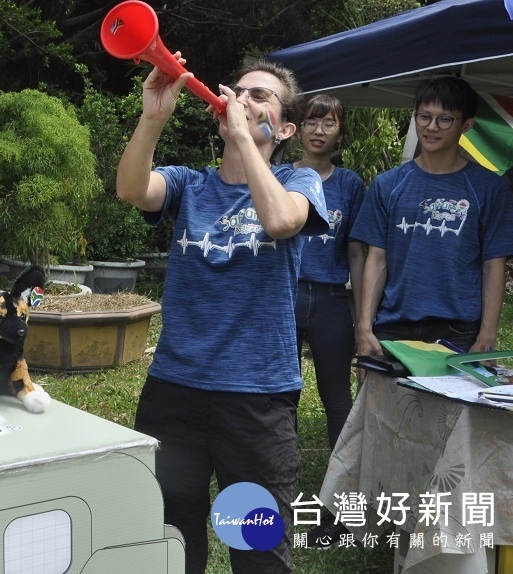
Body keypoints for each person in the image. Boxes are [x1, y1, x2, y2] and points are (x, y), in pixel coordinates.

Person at [117, 57, 329, 574]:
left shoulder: (299, 180)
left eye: (260, 97)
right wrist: (153, 118)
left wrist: (245, 139)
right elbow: (131, 189)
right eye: (238, 91)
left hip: (256, 400)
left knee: (255, 548)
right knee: (169, 535)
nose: (241, 99)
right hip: (175, 390)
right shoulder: (190, 185)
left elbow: (280, 221)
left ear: (284, 128)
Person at [353, 76, 513, 354]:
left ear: (466, 125)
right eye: (424, 116)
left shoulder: (489, 188)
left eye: (444, 120)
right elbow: (377, 259)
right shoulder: (388, 184)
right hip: (393, 326)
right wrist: (364, 328)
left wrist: (486, 335)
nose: (431, 127)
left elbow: (493, 264)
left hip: (459, 330)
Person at [276, 94, 365, 451]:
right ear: (297, 130)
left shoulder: (350, 185)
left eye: (329, 123)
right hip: (284, 295)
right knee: (282, 393)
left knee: (336, 395)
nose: (319, 130)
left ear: (340, 133)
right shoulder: (278, 176)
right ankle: (280, 470)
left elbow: (357, 252)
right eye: (311, 121)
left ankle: (341, 483)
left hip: (331, 300)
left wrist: (361, 318)